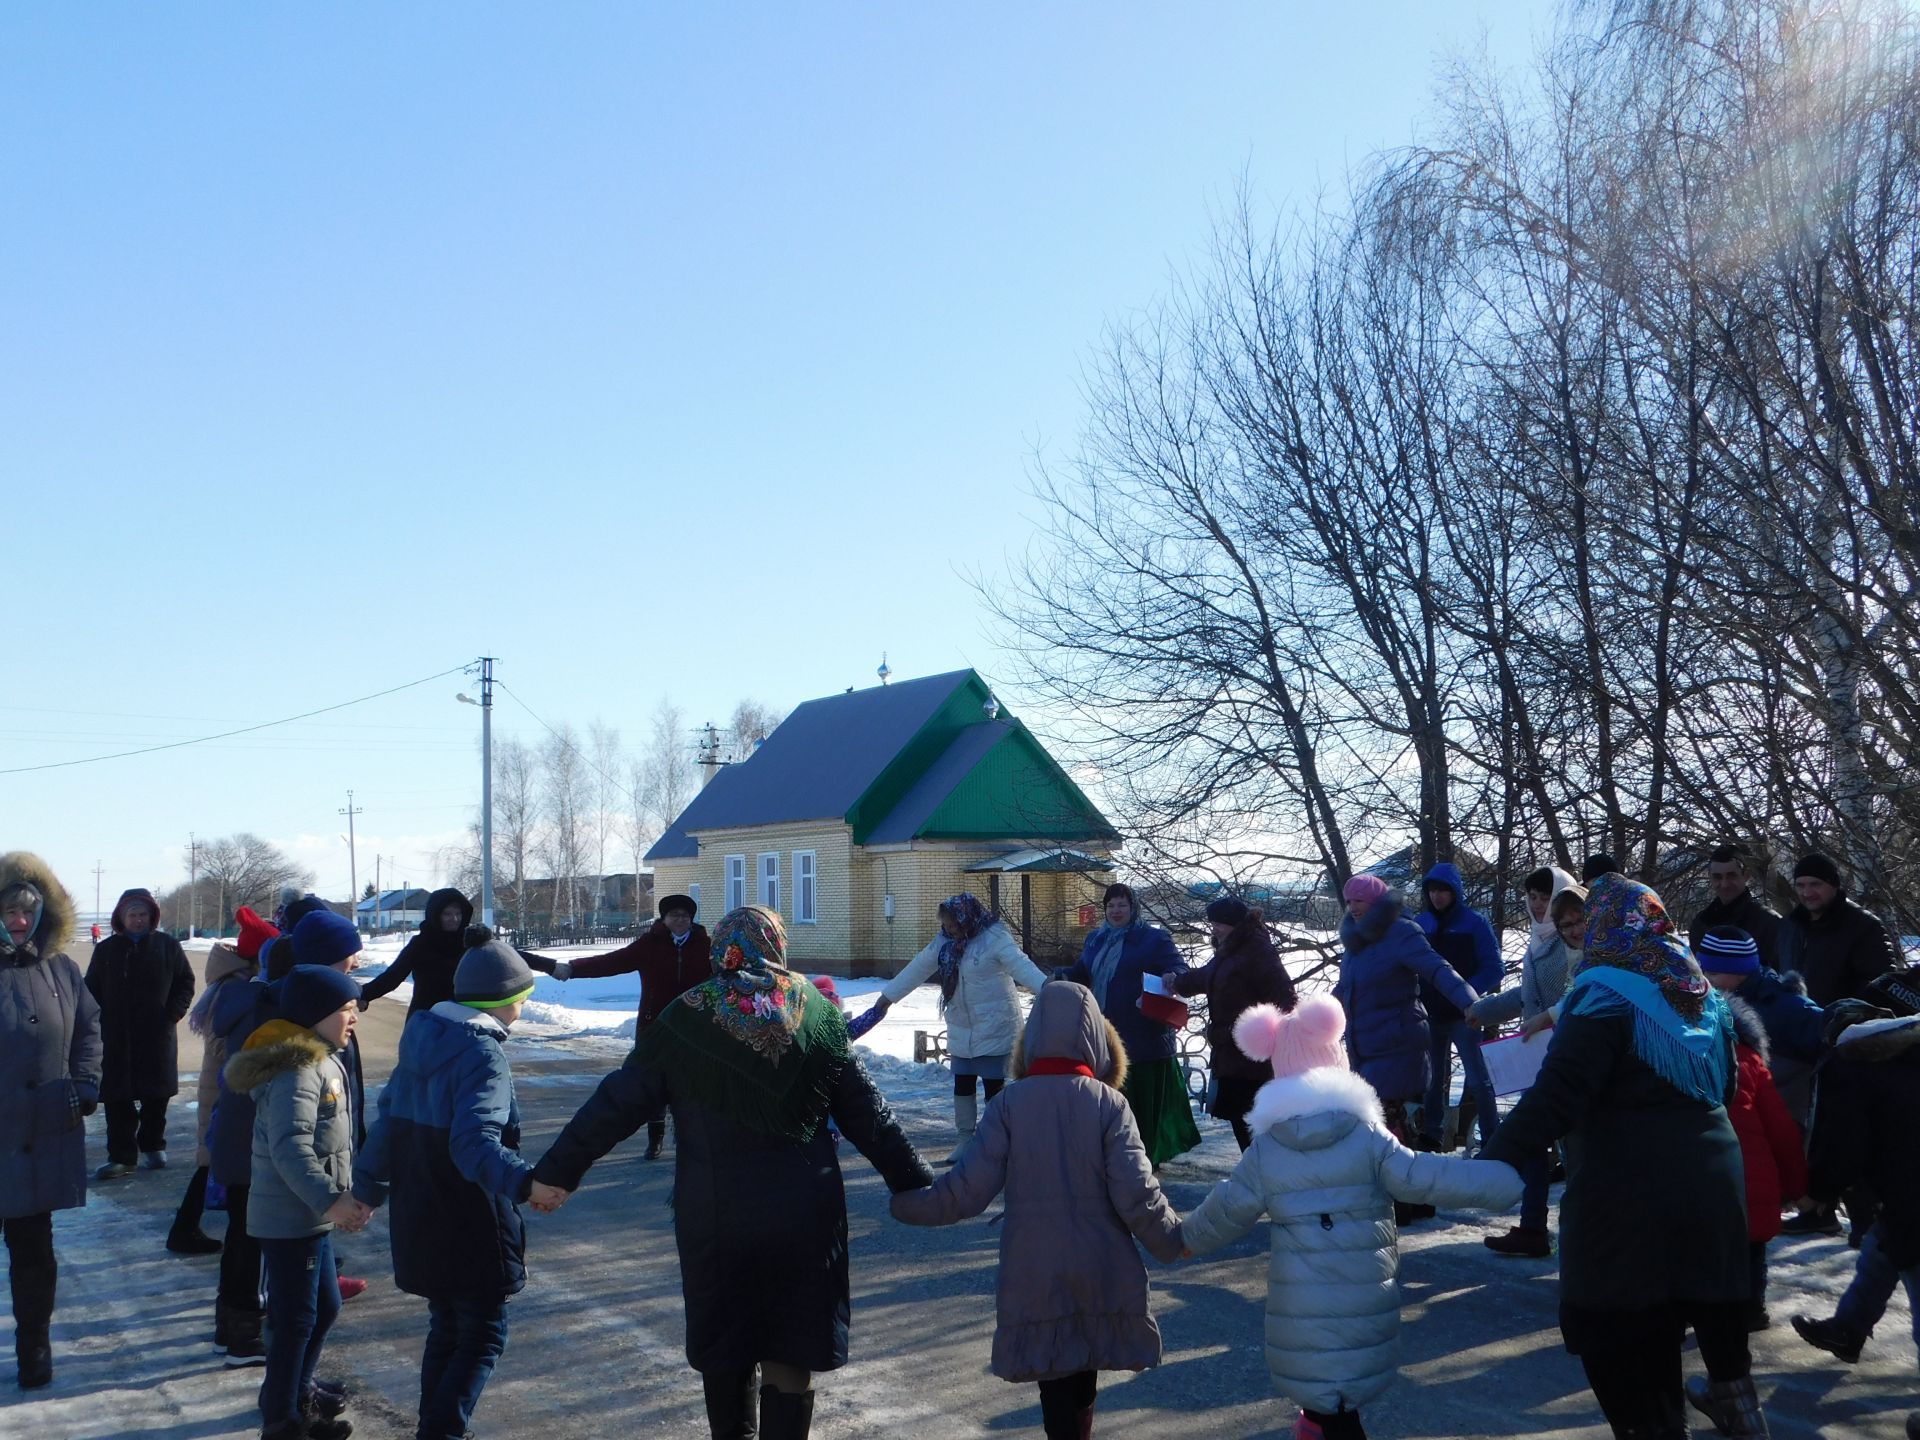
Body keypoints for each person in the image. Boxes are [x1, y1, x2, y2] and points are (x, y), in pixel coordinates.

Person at [532, 906, 933, 1440]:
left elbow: (617, 1104)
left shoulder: (684, 1016)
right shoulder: (814, 1012)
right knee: (792, 1342)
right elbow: (871, 1116)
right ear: (776, 944)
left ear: (721, 949)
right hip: (804, 1217)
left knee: (727, 1338)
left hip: (715, 1213)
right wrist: (916, 1183)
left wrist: (557, 1172)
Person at [1480, 873, 1757, 1440]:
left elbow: (1559, 1093)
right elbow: (1726, 1091)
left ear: (1604, 928)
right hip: (1713, 1193)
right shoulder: (1698, 995)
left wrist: (1492, 1159)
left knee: (1624, 1354)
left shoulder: (1604, 992)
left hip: (1628, 1202)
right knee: (1676, 1325)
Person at [1179, 996, 1523, 1440]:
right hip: (1363, 1294)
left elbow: (1228, 1207)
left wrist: (1183, 1238)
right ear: (1336, 1060)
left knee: (1327, 1400)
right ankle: (1318, 1426)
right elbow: (1423, 1176)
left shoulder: (1269, 1148)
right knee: (1340, 1405)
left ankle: (1317, 1426)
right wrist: (1505, 1181)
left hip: (1301, 1305)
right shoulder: (1364, 1136)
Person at [890, 981, 1184, 1440]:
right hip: (1100, 1265)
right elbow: (1137, 1195)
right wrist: (1174, 1240)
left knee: (1055, 1374)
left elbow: (966, 1191)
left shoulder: (1008, 1105)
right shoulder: (1110, 1105)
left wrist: (909, 1204)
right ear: (1096, 1037)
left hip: (1034, 1268)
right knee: (1084, 1368)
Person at [351, 932, 568, 1440]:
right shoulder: (482, 1055)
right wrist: (525, 1184)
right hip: (467, 1217)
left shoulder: (423, 1037)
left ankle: (435, 1427)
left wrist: (366, 1188)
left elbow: (387, 1126)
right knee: (483, 1333)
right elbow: (473, 1143)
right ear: (508, 999)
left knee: (447, 1326)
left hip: (419, 1210)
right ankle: (442, 1432)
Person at [224, 965, 371, 1440]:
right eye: (346, 1010)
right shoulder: (298, 1070)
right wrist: (332, 1201)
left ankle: (291, 1394)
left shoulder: (322, 1058)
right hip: (291, 1218)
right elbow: (291, 1148)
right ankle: (283, 1420)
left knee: (323, 1308)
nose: (354, 1019)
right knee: (296, 1319)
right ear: (316, 1015)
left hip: (310, 1217)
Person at [0, 852, 102, 1390]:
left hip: (40, 1130)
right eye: (9, 910)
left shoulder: (61, 969)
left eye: (28, 911)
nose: (19, 920)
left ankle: (34, 1345)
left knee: (34, 1250)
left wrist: (85, 1083)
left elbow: (88, 1027)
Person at [1787, 1002, 1920, 1411]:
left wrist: (1816, 1192)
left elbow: (1843, 1147)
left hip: (1913, 1198)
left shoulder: (1849, 1068)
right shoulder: (1907, 1054)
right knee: (1880, 1252)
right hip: (1905, 1191)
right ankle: (1848, 1328)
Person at [1332, 874, 1478, 1223]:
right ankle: (1410, 1202)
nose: (1352, 907)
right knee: (1390, 1128)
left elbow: (1438, 970)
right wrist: (1312, 1018)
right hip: (1365, 1045)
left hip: (1399, 1043)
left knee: (1392, 1126)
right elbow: (1345, 990)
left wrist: (1470, 1003)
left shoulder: (1401, 932)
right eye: (1349, 901)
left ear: (1377, 903)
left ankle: (1405, 1203)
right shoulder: (1356, 942)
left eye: (1359, 901)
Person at [861, 893, 1049, 1161]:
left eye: (953, 923)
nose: (949, 929)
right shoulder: (944, 943)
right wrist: (886, 998)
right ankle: (965, 1140)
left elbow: (1022, 966)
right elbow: (917, 968)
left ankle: (997, 1141)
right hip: (961, 1026)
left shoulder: (993, 939)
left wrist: (1049, 988)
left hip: (995, 1024)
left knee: (995, 1087)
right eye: (946, 924)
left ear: (966, 917)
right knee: (963, 1083)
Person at [548, 893, 711, 1160]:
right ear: (664, 919)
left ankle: (689, 1143)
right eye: (674, 915)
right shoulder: (649, 945)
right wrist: (573, 968)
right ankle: (655, 1141)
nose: (680, 920)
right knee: (653, 1086)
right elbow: (612, 962)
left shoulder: (706, 946)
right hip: (654, 1028)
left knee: (690, 1089)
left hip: (694, 1029)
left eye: (685, 916)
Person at [1469, 865, 1579, 1258]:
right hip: (1537, 1059)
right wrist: (1485, 1009)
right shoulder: (1540, 940)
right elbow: (1524, 995)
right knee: (1535, 1143)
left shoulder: (1571, 944)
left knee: (1573, 1148)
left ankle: (1579, 1232)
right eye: (1532, 896)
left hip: (1568, 1061)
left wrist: (1546, 1017)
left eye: (1545, 897)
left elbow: (1573, 996)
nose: (1537, 905)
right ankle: (1533, 1226)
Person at [1059, 884, 1201, 1169]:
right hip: (1105, 1032)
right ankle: (1113, 1154)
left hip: (1143, 1036)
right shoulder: (1097, 939)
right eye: (1111, 905)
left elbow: (1176, 966)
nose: (1116, 911)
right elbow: (1083, 972)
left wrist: (1175, 977)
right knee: (1110, 1099)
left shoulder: (1153, 939)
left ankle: (1144, 1160)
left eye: (1122, 905)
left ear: (1133, 907)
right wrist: (1058, 979)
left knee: (1141, 1102)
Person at [173, 905, 280, 1258]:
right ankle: (183, 1230)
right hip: (222, 1084)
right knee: (211, 1160)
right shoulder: (233, 987)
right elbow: (218, 1040)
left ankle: (184, 1228)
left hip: (222, 1082)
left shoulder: (234, 981)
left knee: (211, 1159)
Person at [1164, 895, 1298, 1150]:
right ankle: (1256, 1171)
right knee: (1241, 1118)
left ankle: (1263, 1173)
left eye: (1218, 924)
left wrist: (1268, 1035)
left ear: (1234, 924)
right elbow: (1207, 976)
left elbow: (1285, 997)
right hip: (1231, 1051)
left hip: (1253, 1057)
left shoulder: (1257, 950)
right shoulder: (1230, 950)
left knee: (1253, 1122)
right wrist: (1177, 983)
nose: (1214, 929)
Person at [85, 887, 195, 1179]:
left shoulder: (167, 946)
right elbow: (90, 988)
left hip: (156, 1033)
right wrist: (94, 1020)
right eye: (132, 914)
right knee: (117, 1098)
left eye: (142, 914)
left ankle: (153, 1146)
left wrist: (173, 1012)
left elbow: (186, 981)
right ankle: (122, 1157)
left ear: (151, 916)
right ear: (121, 917)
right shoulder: (106, 950)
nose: (138, 920)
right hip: (116, 1035)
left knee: (155, 1095)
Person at [1722, 991, 1807, 1333]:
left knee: (1704, 1249)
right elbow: (1781, 1130)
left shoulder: (1681, 1059)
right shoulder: (1751, 1062)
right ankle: (1752, 1308)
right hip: (1753, 1183)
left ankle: (1699, 1307)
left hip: (1704, 1179)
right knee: (1752, 1248)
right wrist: (1797, 1187)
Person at [357, 888, 561, 1019]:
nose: (454, 918)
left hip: (464, 1018)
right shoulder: (421, 944)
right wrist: (365, 995)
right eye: (447, 913)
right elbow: (393, 976)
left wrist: (552, 966)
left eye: (458, 913)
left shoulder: (472, 940)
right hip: (427, 1018)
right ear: (435, 915)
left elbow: (508, 956)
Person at [1413, 862, 1503, 1152]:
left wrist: (1467, 995)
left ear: (1455, 892)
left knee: (1478, 1080)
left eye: (1443, 890)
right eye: (1432, 890)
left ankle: (1492, 1139)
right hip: (1430, 1016)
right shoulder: (1420, 923)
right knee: (1432, 1080)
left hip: (1467, 1017)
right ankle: (1432, 1137)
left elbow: (1494, 968)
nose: (1437, 896)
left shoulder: (1474, 923)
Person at [1778, 852, 1898, 1007]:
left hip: (1845, 1026)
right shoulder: (1789, 925)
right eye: (1800, 885)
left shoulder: (1863, 926)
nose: (1807, 893)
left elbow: (1883, 988)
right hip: (1795, 1024)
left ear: (1833, 885)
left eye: (1815, 884)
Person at [1688, 847, 1783, 973]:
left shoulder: (1769, 923)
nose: (1725, 884)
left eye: (1731, 876)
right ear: (1710, 878)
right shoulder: (1701, 923)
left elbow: (1782, 978)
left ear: (1746, 876)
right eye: (1717, 877)